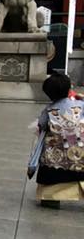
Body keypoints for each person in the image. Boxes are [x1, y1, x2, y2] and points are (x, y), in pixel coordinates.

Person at [31, 73, 84, 208]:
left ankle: (51, 198)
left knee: (51, 166)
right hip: (81, 153)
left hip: (57, 157)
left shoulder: (48, 110)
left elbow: (41, 125)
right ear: (69, 89)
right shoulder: (80, 105)